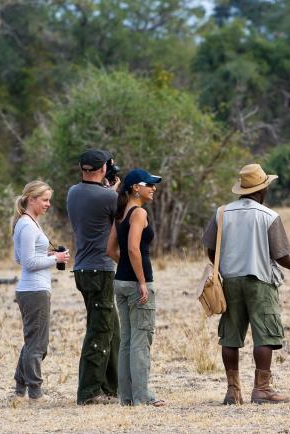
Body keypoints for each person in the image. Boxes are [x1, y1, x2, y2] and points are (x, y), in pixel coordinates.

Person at [202, 163, 290, 405]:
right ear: (262, 191)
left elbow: (211, 249)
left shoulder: (221, 213)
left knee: (230, 336)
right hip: (259, 280)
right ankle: (261, 389)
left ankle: (233, 390)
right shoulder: (269, 216)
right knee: (265, 335)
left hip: (229, 282)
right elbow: (281, 255)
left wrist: (226, 266)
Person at [106, 168, 165, 407]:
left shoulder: (121, 213)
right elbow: (132, 248)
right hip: (137, 285)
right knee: (141, 340)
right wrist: (141, 280)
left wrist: (128, 271)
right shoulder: (138, 212)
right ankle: (142, 396)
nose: (153, 188)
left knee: (127, 341)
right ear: (134, 188)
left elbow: (110, 250)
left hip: (120, 282)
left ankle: (127, 396)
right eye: (148, 184)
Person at [67, 148, 121, 405]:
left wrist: (109, 189)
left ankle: (112, 386)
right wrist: (115, 190)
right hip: (100, 269)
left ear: (82, 168)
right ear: (102, 170)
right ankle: (89, 392)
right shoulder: (107, 197)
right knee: (99, 331)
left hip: (83, 268)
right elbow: (121, 216)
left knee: (112, 329)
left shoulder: (73, 192)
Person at [12, 180, 70, 401]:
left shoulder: (28, 222)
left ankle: (19, 389)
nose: (47, 204)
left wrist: (48, 257)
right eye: (44, 200)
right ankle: (35, 392)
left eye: (49, 200)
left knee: (32, 341)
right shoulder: (27, 225)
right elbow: (26, 262)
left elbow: (20, 257)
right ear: (31, 199)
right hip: (34, 289)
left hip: (33, 288)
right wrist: (55, 258)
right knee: (38, 344)